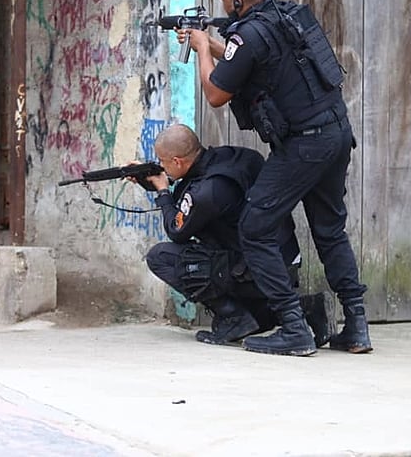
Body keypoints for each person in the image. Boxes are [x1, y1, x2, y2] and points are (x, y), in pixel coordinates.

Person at [179, 0, 372, 356]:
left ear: (236, 1)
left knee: (254, 226)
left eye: (223, 1)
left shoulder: (247, 35)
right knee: (330, 230)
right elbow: (246, 61)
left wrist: (202, 48)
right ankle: (356, 325)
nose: (222, 7)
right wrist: (213, 44)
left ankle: (293, 328)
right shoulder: (283, 16)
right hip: (335, 134)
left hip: (304, 145)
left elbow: (217, 93)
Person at [137, 124, 332, 347]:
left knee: (161, 256)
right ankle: (308, 308)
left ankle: (233, 316)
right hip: (282, 262)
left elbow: (176, 230)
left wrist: (163, 192)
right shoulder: (236, 157)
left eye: (163, 162)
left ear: (178, 161)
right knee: (257, 319)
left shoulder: (206, 192)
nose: (161, 166)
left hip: (256, 270)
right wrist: (151, 180)